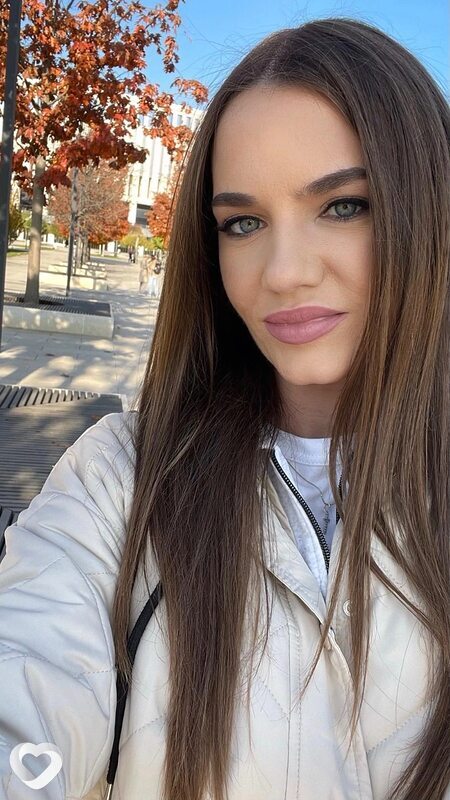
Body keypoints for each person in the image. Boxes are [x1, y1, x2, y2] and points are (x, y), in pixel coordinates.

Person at [0, 17, 448, 800]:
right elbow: (29, 667)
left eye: (344, 205)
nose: (283, 272)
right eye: (243, 223)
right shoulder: (126, 476)